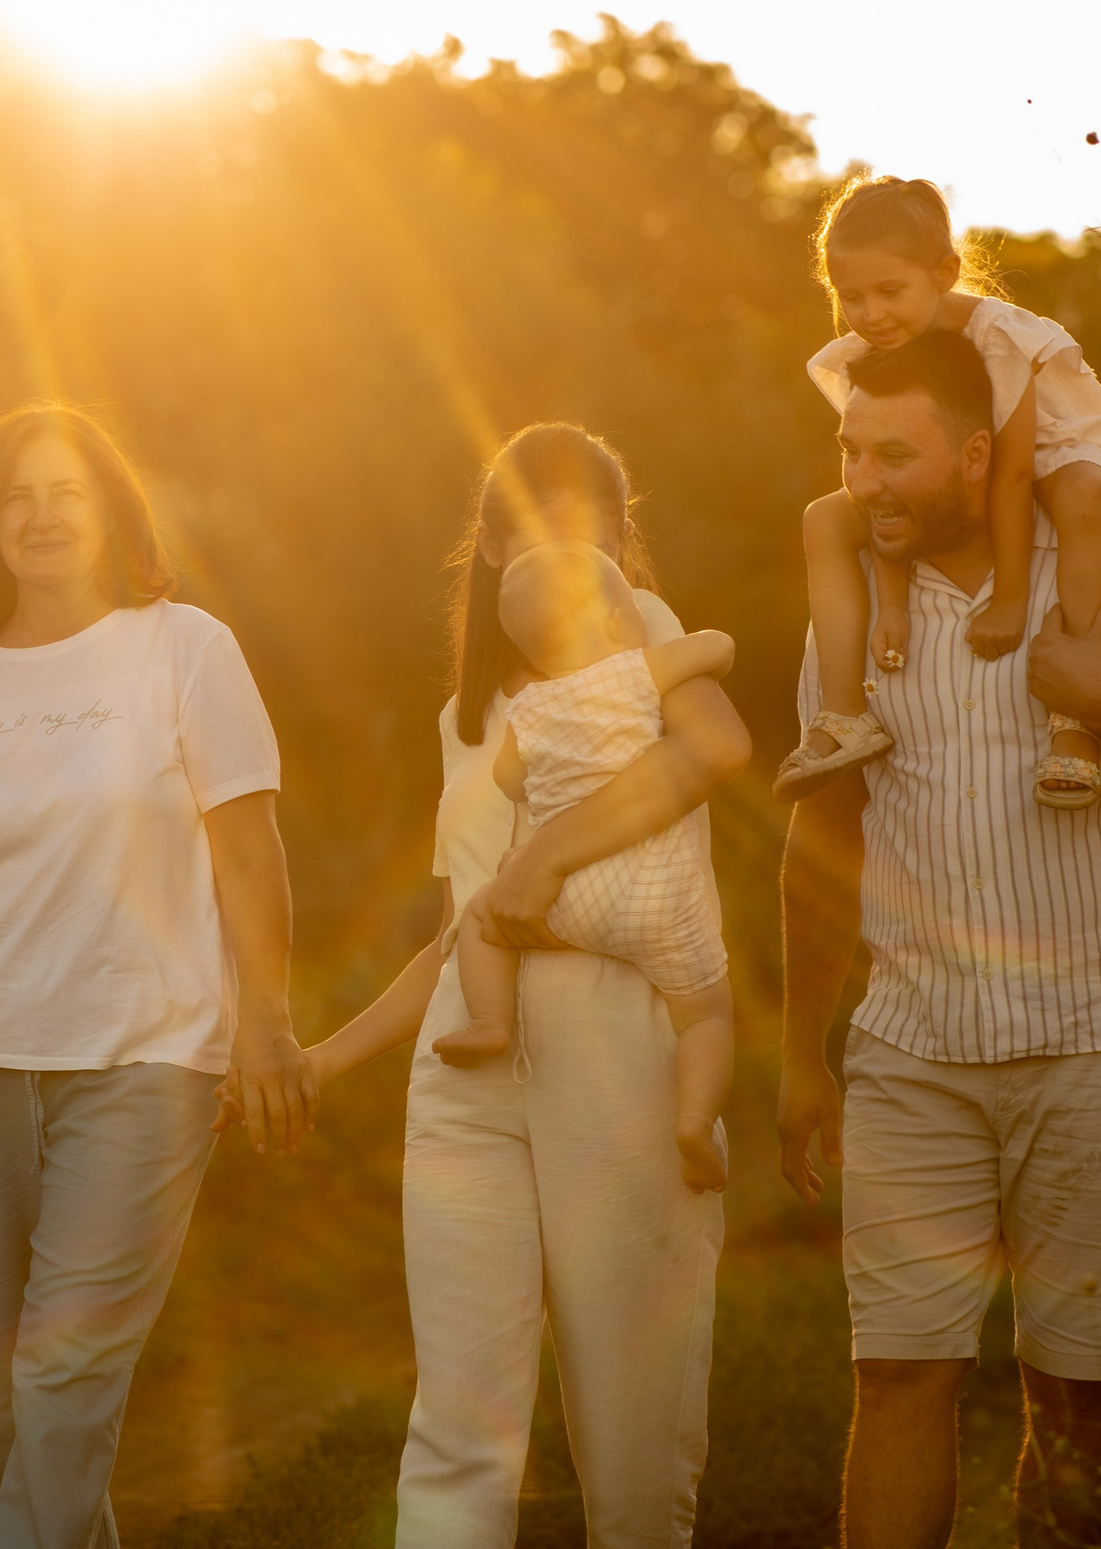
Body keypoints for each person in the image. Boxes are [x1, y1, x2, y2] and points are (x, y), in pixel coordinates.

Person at [773, 327, 1101, 1549]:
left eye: (895, 453)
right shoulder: (850, 614)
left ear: (976, 451)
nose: (866, 480)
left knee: (1069, 1391)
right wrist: (798, 1056)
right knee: (894, 1374)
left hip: (1100, 1047)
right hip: (912, 1053)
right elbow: (824, 839)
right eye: (849, 450)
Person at [0, 403, 311, 1549]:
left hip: (147, 1054)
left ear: (111, 513)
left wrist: (265, 1022)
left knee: (65, 1372)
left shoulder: (185, 647)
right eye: (15, 496)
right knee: (12, 1392)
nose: (39, 515)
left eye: (65, 491)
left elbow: (245, 846)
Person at [292, 423, 750, 1547]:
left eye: (591, 526)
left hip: (612, 1038)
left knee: (629, 1430)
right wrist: (327, 1056)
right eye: (536, 525)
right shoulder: (466, 718)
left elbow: (711, 749)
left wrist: (544, 859)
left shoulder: (635, 630)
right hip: (471, 1060)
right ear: (491, 546)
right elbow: (462, 931)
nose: (564, 547)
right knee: (459, 1419)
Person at [776, 175, 1101, 810]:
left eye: (889, 291)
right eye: (851, 296)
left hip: (1047, 446)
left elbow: (1015, 471)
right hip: (954, 466)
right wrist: (892, 604)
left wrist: (1012, 599)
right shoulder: (871, 352)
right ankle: (845, 716)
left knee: (1078, 492)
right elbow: (883, 488)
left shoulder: (998, 338)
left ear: (944, 273)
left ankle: (1076, 723)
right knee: (826, 518)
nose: (871, 314)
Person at [427, 539, 740, 1193]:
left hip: (568, 902)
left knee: (482, 909)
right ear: (616, 620)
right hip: (659, 888)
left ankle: (489, 1022)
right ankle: (694, 1121)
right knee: (706, 1013)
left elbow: (511, 780)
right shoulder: (639, 670)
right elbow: (718, 646)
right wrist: (689, 650)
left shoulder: (530, 706)